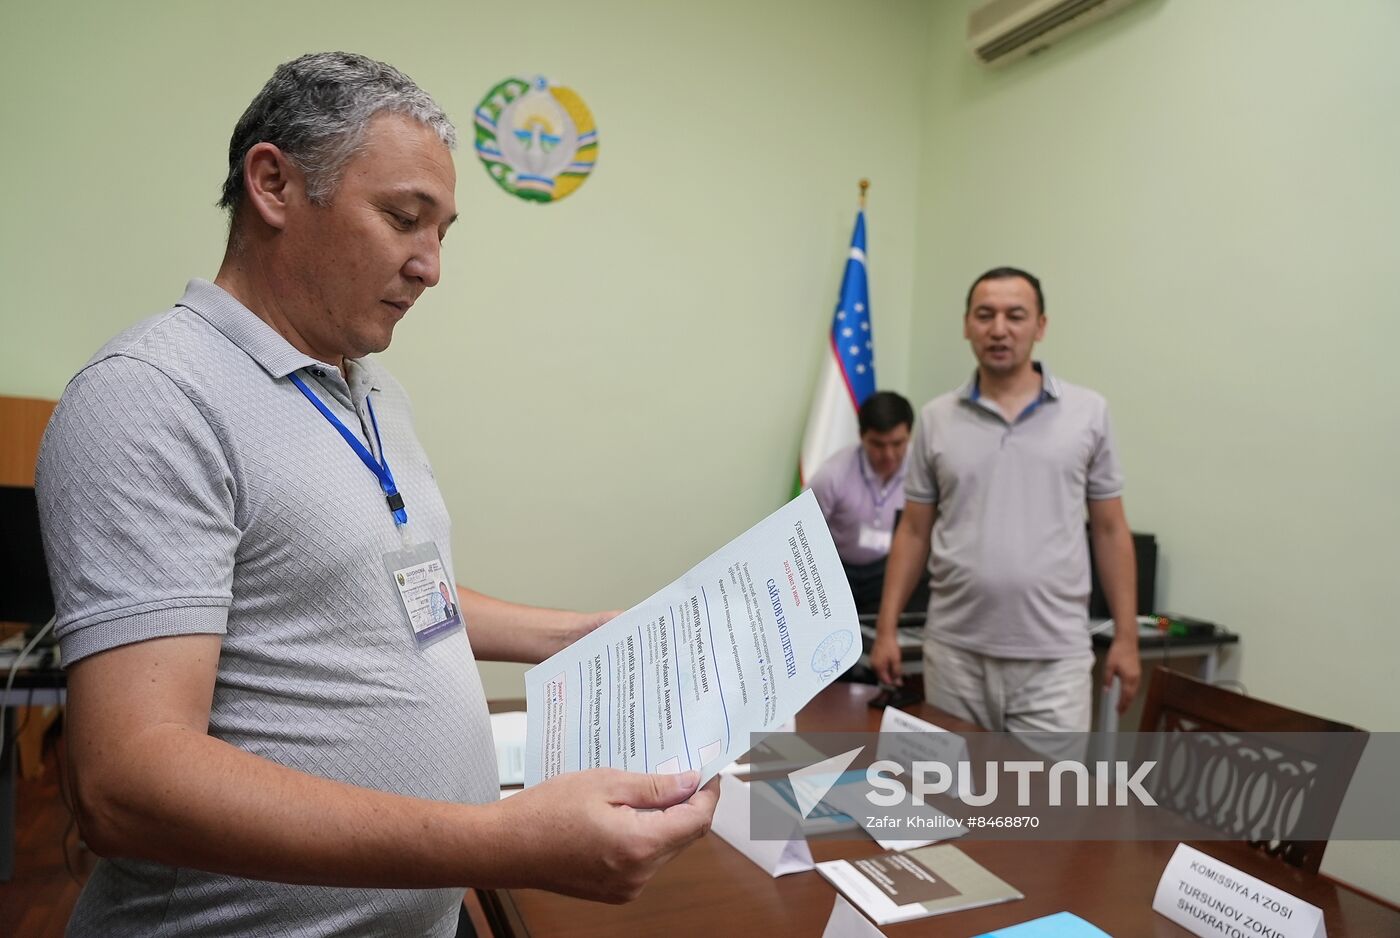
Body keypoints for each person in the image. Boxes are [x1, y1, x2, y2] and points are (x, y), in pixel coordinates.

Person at [36, 52, 717, 937]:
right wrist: (501, 842)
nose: (430, 266)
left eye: (444, 232)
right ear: (274, 184)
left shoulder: (362, 387)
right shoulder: (154, 396)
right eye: (403, 219)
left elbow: (386, 590)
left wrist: (580, 636)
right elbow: (126, 784)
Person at [870, 267, 1141, 736]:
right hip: (955, 656)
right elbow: (914, 531)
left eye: (1015, 315)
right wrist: (887, 630)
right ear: (966, 325)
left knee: (1042, 808)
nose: (999, 329)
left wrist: (1128, 637)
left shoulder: (1088, 413)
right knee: (954, 804)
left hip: (1054, 662)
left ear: (1040, 326)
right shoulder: (936, 419)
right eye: (985, 315)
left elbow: (1111, 529)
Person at [807, 391, 927, 614]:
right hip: (838, 570)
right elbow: (800, 532)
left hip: (889, 567)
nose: (889, 455)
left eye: (897, 443)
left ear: (910, 435)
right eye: (878, 445)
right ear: (862, 436)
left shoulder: (923, 470)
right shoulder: (832, 474)